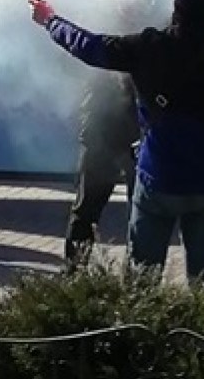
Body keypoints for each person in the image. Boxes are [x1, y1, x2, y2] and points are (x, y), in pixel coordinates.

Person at [30, 0, 204, 284]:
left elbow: (88, 46)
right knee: (202, 280)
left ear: (179, 4)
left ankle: (140, 326)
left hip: (157, 178)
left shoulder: (153, 46)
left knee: (142, 280)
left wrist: (50, 20)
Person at [64, 72, 139, 270]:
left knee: (139, 215)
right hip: (108, 138)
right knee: (88, 211)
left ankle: (75, 271)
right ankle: (75, 271)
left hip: (113, 138)